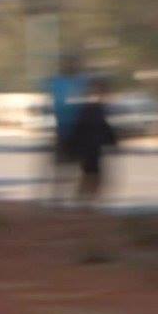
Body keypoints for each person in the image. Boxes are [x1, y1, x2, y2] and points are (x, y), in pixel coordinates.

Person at [46, 57, 89, 205]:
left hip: (80, 130)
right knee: (62, 167)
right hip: (64, 129)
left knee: (81, 167)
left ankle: (78, 198)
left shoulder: (82, 81)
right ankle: (58, 197)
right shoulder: (59, 82)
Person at [68, 80, 117, 207]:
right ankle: (85, 201)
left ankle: (85, 201)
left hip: (91, 147)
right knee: (92, 175)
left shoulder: (93, 108)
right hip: (91, 147)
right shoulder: (94, 108)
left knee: (91, 174)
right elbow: (101, 128)